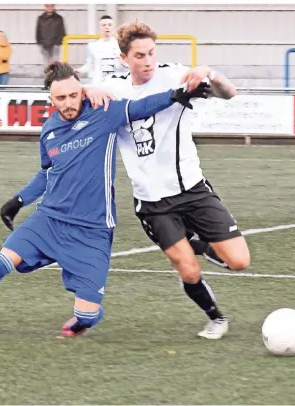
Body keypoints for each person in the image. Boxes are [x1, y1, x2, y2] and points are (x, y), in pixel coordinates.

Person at [0, 61, 210, 337]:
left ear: (82, 91)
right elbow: (47, 172)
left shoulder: (104, 113)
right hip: (49, 220)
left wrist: (176, 95)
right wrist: (18, 201)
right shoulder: (50, 131)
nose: (68, 103)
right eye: (60, 98)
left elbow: (141, 107)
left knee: (87, 315)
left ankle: (86, 316)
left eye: (73, 95)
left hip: (93, 230)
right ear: (51, 100)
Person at [98, 21, 251, 339]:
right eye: (140, 55)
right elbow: (76, 96)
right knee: (188, 270)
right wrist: (88, 89)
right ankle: (216, 318)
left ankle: (199, 244)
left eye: (152, 52)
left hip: (193, 190)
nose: (148, 60)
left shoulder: (175, 76)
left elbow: (228, 93)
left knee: (239, 261)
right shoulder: (114, 90)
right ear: (124, 58)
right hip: (153, 203)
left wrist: (209, 72)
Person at [76, 15, 128, 85]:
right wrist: (79, 70)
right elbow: (90, 64)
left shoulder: (120, 45)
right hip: (98, 84)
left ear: (113, 27)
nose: (107, 27)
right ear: (99, 27)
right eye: (104, 25)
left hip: (117, 84)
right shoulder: (92, 46)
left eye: (110, 25)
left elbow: (126, 65)